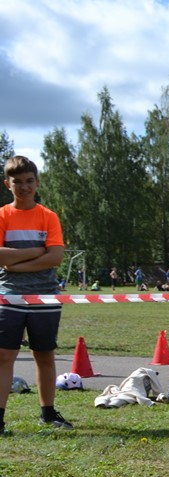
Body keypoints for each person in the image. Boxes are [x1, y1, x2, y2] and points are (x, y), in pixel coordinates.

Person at [0, 155, 75, 441]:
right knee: (4, 356)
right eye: (17, 182)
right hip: (8, 296)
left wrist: (16, 262)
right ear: (8, 184)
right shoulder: (2, 215)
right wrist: (37, 252)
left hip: (45, 296)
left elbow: (55, 257)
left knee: (44, 355)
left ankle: (48, 412)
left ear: (37, 183)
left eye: (29, 181)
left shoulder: (49, 216)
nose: (24, 187)